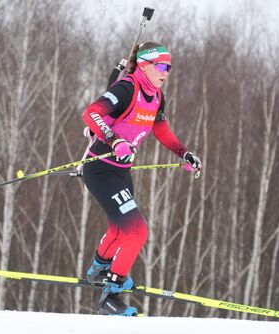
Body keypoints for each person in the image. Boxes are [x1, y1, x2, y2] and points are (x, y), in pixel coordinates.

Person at [81, 42, 202, 316]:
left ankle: (99, 270)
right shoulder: (127, 88)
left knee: (120, 229)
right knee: (137, 232)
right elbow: (91, 113)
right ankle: (109, 296)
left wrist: (185, 153)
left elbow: (161, 131)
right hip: (100, 169)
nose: (166, 72)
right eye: (161, 66)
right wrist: (113, 139)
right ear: (145, 65)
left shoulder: (157, 96)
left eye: (169, 67)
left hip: (122, 171)